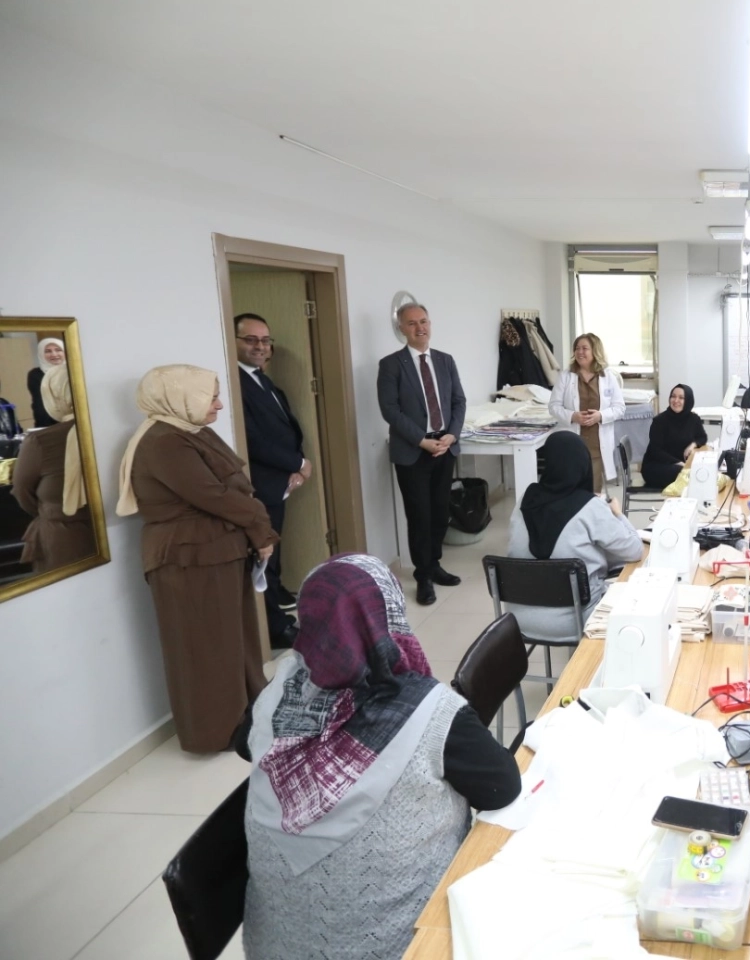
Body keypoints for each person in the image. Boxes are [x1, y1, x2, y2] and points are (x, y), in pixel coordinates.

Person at [238, 553, 520, 960]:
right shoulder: (429, 711)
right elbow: (503, 787)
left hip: (275, 949)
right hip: (404, 947)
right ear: (388, 618)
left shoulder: (276, 694)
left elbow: (243, 743)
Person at [117, 365, 275, 753]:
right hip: (190, 558)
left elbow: (234, 488)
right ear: (179, 397)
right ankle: (217, 731)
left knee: (234, 640)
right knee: (205, 648)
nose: (219, 405)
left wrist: (256, 530)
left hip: (217, 551)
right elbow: (215, 496)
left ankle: (248, 714)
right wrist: (261, 528)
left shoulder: (188, 431)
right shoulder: (164, 442)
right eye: (211, 397)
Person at [507, 433, 643, 641]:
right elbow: (635, 550)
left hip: (518, 621)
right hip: (576, 621)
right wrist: (617, 514)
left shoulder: (524, 500)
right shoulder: (590, 506)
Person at [377, 303, 467, 607]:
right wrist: (421, 440)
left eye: (424, 321)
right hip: (413, 451)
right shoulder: (391, 364)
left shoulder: (445, 360)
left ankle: (435, 564)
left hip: (445, 447)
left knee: (440, 511)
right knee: (419, 515)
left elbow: (458, 401)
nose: (420, 328)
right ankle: (423, 576)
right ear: (401, 328)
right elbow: (390, 410)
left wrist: (452, 434)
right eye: (412, 323)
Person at [235, 313, 310, 647]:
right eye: (251, 340)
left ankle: (277, 612)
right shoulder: (236, 383)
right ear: (233, 341)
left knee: (273, 555)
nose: (260, 347)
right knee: (264, 559)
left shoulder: (261, 380)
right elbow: (251, 439)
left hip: (278, 483)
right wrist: (300, 463)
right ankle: (276, 630)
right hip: (258, 487)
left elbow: (284, 429)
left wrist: (296, 466)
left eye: (265, 340)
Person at [12, 366, 94, 573]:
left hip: (64, 538)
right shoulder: (107, 429)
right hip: (115, 533)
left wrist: (51, 510)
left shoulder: (41, 441)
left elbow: (22, 492)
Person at [548, 332, 626, 493]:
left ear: (595, 351)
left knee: (593, 490)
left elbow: (619, 408)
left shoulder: (607, 377)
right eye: (577, 348)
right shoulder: (566, 376)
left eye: (585, 348)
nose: (580, 352)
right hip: (572, 442)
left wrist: (600, 416)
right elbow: (553, 406)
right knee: (571, 488)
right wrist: (572, 416)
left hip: (597, 445)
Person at [642, 383, 708, 490]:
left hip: (680, 465)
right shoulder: (659, 421)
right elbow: (656, 451)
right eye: (673, 396)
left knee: (701, 470)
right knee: (690, 474)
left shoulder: (694, 419)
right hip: (657, 466)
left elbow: (702, 437)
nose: (676, 400)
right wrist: (677, 462)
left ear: (688, 400)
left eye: (681, 398)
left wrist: (693, 444)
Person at [26, 337, 65, 429]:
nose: (54, 354)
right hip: (48, 423)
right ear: (41, 354)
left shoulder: (74, 371)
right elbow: (40, 403)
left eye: (58, 350)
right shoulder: (36, 374)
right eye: (48, 351)